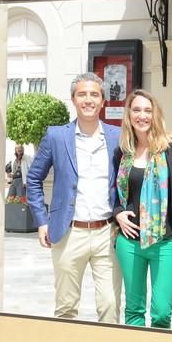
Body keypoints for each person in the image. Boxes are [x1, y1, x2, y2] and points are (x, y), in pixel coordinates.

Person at [27, 72, 122, 324]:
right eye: (82, 94)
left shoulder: (118, 136)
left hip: (107, 234)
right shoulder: (56, 136)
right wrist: (41, 221)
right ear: (73, 99)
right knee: (66, 308)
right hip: (69, 234)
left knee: (110, 306)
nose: (88, 100)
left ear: (103, 100)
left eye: (94, 94)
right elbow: (33, 179)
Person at [112, 89, 172, 329]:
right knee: (133, 309)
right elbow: (114, 191)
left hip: (165, 241)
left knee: (161, 312)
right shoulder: (123, 151)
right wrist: (117, 212)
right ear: (129, 114)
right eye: (137, 110)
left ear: (155, 114)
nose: (142, 115)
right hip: (129, 242)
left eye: (147, 110)